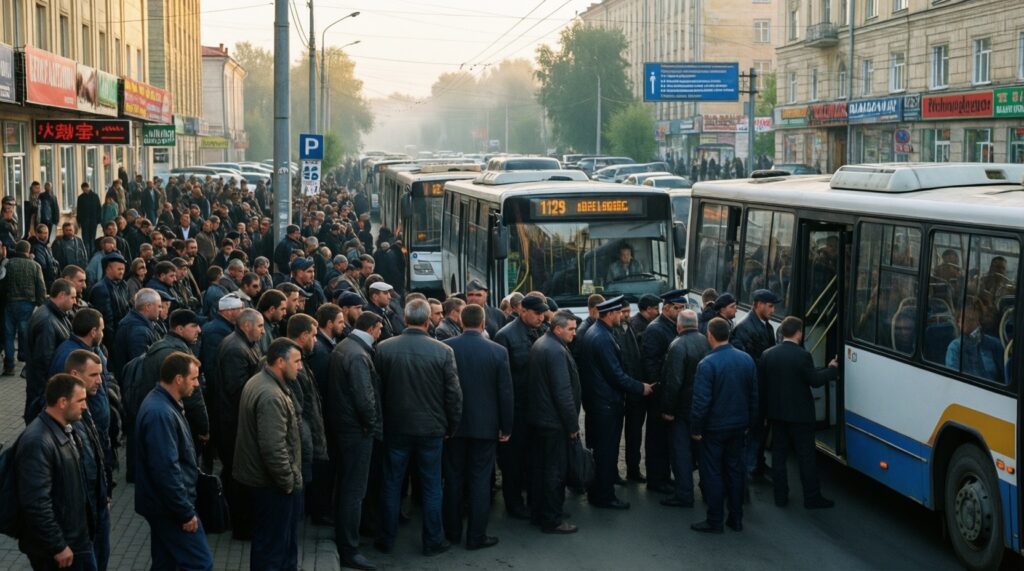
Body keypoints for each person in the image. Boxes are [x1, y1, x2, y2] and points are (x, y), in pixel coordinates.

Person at [374, 299, 462, 556]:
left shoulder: (384, 348)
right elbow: (453, 395)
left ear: (404, 319)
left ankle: (386, 538)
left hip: (396, 427)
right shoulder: (443, 351)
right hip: (432, 429)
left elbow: (377, 391)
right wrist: (452, 426)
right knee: (432, 486)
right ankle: (433, 540)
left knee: (391, 483)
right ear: (427, 321)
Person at [442, 304, 514, 550]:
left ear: (461, 322)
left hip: (454, 427)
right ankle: (476, 536)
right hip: (485, 426)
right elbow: (505, 393)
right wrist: (506, 426)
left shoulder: (447, 347)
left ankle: (451, 533)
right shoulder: (498, 351)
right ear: (483, 324)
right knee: (480, 482)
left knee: (452, 479)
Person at [134, 352, 214, 571]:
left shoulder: (164, 404)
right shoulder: (161, 413)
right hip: (170, 508)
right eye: (194, 378)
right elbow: (166, 469)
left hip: (163, 505)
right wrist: (185, 512)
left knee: (165, 563)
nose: (197, 385)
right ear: (178, 379)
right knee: (200, 563)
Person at [234, 338, 305, 571]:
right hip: (271, 484)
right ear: (280, 362)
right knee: (274, 550)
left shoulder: (261, 381)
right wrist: (288, 481)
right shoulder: (271, 395)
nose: (300, 366)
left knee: (268, 545)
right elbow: (273, 448)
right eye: (296, 361)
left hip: (262, 481)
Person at [579, 296, 653, 509]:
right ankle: (605, 496)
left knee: (603, 450)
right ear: (610, 314)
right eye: (619, 313)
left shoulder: (599, 333)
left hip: (600, 403)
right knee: (607, 451)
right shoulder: (602, 338)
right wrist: (641, 387)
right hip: (606, 405)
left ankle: (598, 492)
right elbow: (616, 375)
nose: (623, 316)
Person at [17, 374, 96, 571]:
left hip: (74, 540)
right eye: (81, 400)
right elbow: (36, 502)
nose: (85, 406)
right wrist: (58, 545)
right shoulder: (38, 442)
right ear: (62, 402)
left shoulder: (63, 429)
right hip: (59, 550)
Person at [759, 316, 838, 509]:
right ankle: (812, 497)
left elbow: (762, 388)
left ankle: (780, 496)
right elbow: (814, 381)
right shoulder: (803, 355)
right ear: (799, 333)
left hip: (777, 415)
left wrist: (763, 415)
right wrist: (831, 370)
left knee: (778, 458)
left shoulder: (767, 354)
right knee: (806, 458)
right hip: (801, 418)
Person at [326, 311, 384, 571]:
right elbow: (365, 399)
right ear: (373, 328)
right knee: (354, 491)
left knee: (347, 486)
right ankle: (350, 548)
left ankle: (345, 539)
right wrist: (371, 426)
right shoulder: (359, 355)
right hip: (356, 431)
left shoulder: (345, 346)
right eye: (380, 329)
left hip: (344, 427)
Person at [690, 317, 758, 533]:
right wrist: (750, 423)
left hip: (714, 429)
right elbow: (754, 396)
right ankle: (736, 519)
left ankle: (715, 520)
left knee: (713, 474)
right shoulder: (746, 359)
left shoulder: (707, 364)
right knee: (735, 472)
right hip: (739, 427)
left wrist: (696, 429)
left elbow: (701, 402)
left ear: (710, 335)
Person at [493, 294, 546, 519]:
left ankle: (535, 501)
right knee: (513, 462)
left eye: (543, 313)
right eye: (536, 314)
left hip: (538, 406)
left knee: (535, 459)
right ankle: (514, 504)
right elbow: (501, 380)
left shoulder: (542, 330)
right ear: (522, 311)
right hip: (516, 409)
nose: (541, 317)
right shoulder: (505, 336)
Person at [527, 309, 581, 534]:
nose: (574, 334)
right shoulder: (555, 350)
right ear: (557, 328)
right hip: (554, 423)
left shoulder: (543, 343)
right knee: (554, 472)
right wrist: (572, 426)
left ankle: (540, 512)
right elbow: (562, 392)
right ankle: (552, 519)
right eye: (570, 329)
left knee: (541, 469)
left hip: (541, 419)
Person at [216, 307, 264, 540]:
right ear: (246, 326)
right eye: (260, 326)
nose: (263, 332)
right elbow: (238, 389)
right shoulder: (236, 349)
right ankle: (241, 527)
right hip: (234, 423)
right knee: (238, 477)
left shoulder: (243, 344)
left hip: (236, 421)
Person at [63, 350, 112, 571]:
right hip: (81, 520)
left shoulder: (83, 405)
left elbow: (96, 453)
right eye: (94, 375)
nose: (100, 381)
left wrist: (105, 492)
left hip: (96, 506)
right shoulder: (60, 420)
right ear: (75, 373)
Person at [659, 309, 710, 508]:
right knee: (703, 452)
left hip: (682, 409)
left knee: (681, 453)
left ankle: (684, 494)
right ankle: (707, 489)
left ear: (678, 326)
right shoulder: (706, 341)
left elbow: (673, 381)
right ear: (696, 324)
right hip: (702, 407)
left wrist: (668, 410)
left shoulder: (678, 345)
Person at [639, 288, 688, 491]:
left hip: (670, 392)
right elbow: (650, 364)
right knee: (657, 440)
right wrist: (660, 388)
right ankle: (656, 480)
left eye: (684, 307)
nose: (682, 311)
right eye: (678, 308)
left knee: (666, 439)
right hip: (660, 393)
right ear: (666, 308)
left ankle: (664, 476)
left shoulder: (671, 325)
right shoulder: (656, 329)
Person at [731, 288, 781, 482]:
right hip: (753, 390)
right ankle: (749, 468)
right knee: (753, 430)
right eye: (770, 306)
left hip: (762, 388)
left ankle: (757, 463)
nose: (773, 310)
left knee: (759, 429)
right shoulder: (744, 328)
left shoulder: (766, 326)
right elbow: (745, 362)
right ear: (758, 304)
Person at [24, 279, 76, 424]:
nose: (75, 301)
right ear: (61, 295)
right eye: (72, 297)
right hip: (42, 389)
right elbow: (44, 360)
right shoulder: (47, 321)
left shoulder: (57, 314)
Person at [4, 240, 46, 376]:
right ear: (28, 251)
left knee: (8, 335)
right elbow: (40, 286)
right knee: (25, 334)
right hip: (28, 304)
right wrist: (41, 304)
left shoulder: (8, 264)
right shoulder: (35, 266)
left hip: (10, 303)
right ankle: (26, 361)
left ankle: (9, 365)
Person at [77, 182, 101, 256]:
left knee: (92, 238)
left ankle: (92, 253)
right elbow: (79, 210)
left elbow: (99, 208)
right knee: (85, 238)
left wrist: (98, 220)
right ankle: (87, 253)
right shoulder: (81, 197)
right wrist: (79, 221)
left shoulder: (95, 196)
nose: (84, 190)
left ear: (88, 187)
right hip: (85, 221)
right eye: (83, 189)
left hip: (93, 221)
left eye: (85, 189)